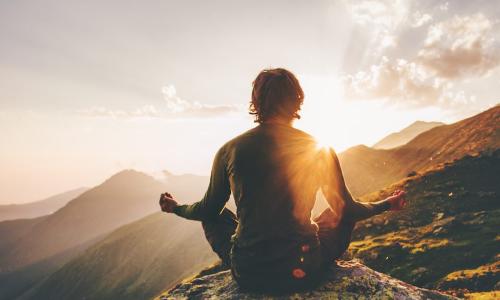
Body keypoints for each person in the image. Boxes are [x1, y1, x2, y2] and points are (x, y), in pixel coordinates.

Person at [159, 68, 406, 293]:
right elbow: (349, 210)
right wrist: (387, 203)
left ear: (256, 102)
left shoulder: (230, 150)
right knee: (337, 213)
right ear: (297, 100)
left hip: (249, 273)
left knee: (216, 214)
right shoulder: (318, 148)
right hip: (305, 271)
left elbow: (206, 209)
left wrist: (175, 207)